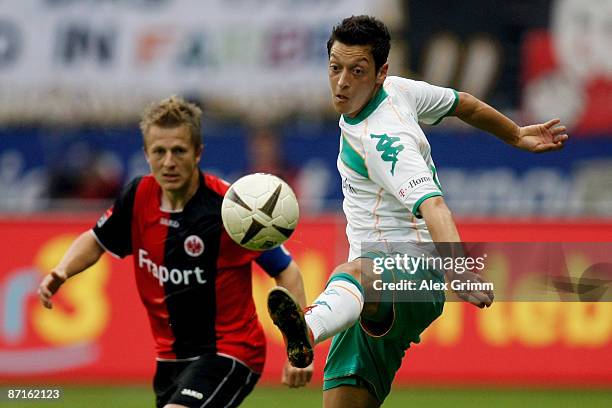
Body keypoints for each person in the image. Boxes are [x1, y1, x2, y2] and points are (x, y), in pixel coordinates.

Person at [267, 15, 569, 408]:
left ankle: (306, 330)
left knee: (353, 272)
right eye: (335, 68)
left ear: (379, 73)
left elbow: (434, 206)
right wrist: (514, 133)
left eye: (356, 71)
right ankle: (314, 326)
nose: (342, 82)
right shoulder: (398, 90)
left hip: (412, 279)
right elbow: (465, 104)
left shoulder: (384, 140)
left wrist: (458, 271)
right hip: (364, 300)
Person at [38, 96, 313, 408]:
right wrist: (62, 271)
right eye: (159, 151)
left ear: (197, 153)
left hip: (230, 352)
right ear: (146, 154)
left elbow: (286, 269)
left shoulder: (230, 207)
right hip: (171, 359)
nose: (169, 161)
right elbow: (97, 239)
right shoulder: (137, 195)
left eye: (179, 151)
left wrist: (299, 346)